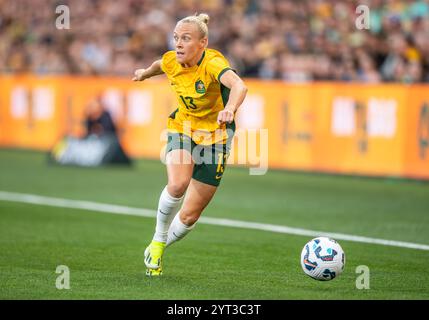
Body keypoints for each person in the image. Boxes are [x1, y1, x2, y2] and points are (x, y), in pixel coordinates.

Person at [132, 13, 248, 276]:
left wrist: (230, 108)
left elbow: (239, 86)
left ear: (203, 43)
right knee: (177, 184)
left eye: (186, 38)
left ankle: (158, 245)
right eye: (176, 38)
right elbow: (158, 65)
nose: (179, 44)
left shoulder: (213, 63)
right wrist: (144, 74)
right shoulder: (172, 60)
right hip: (182, 128)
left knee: (188, 217)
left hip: (216, 138)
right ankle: (158, 238)